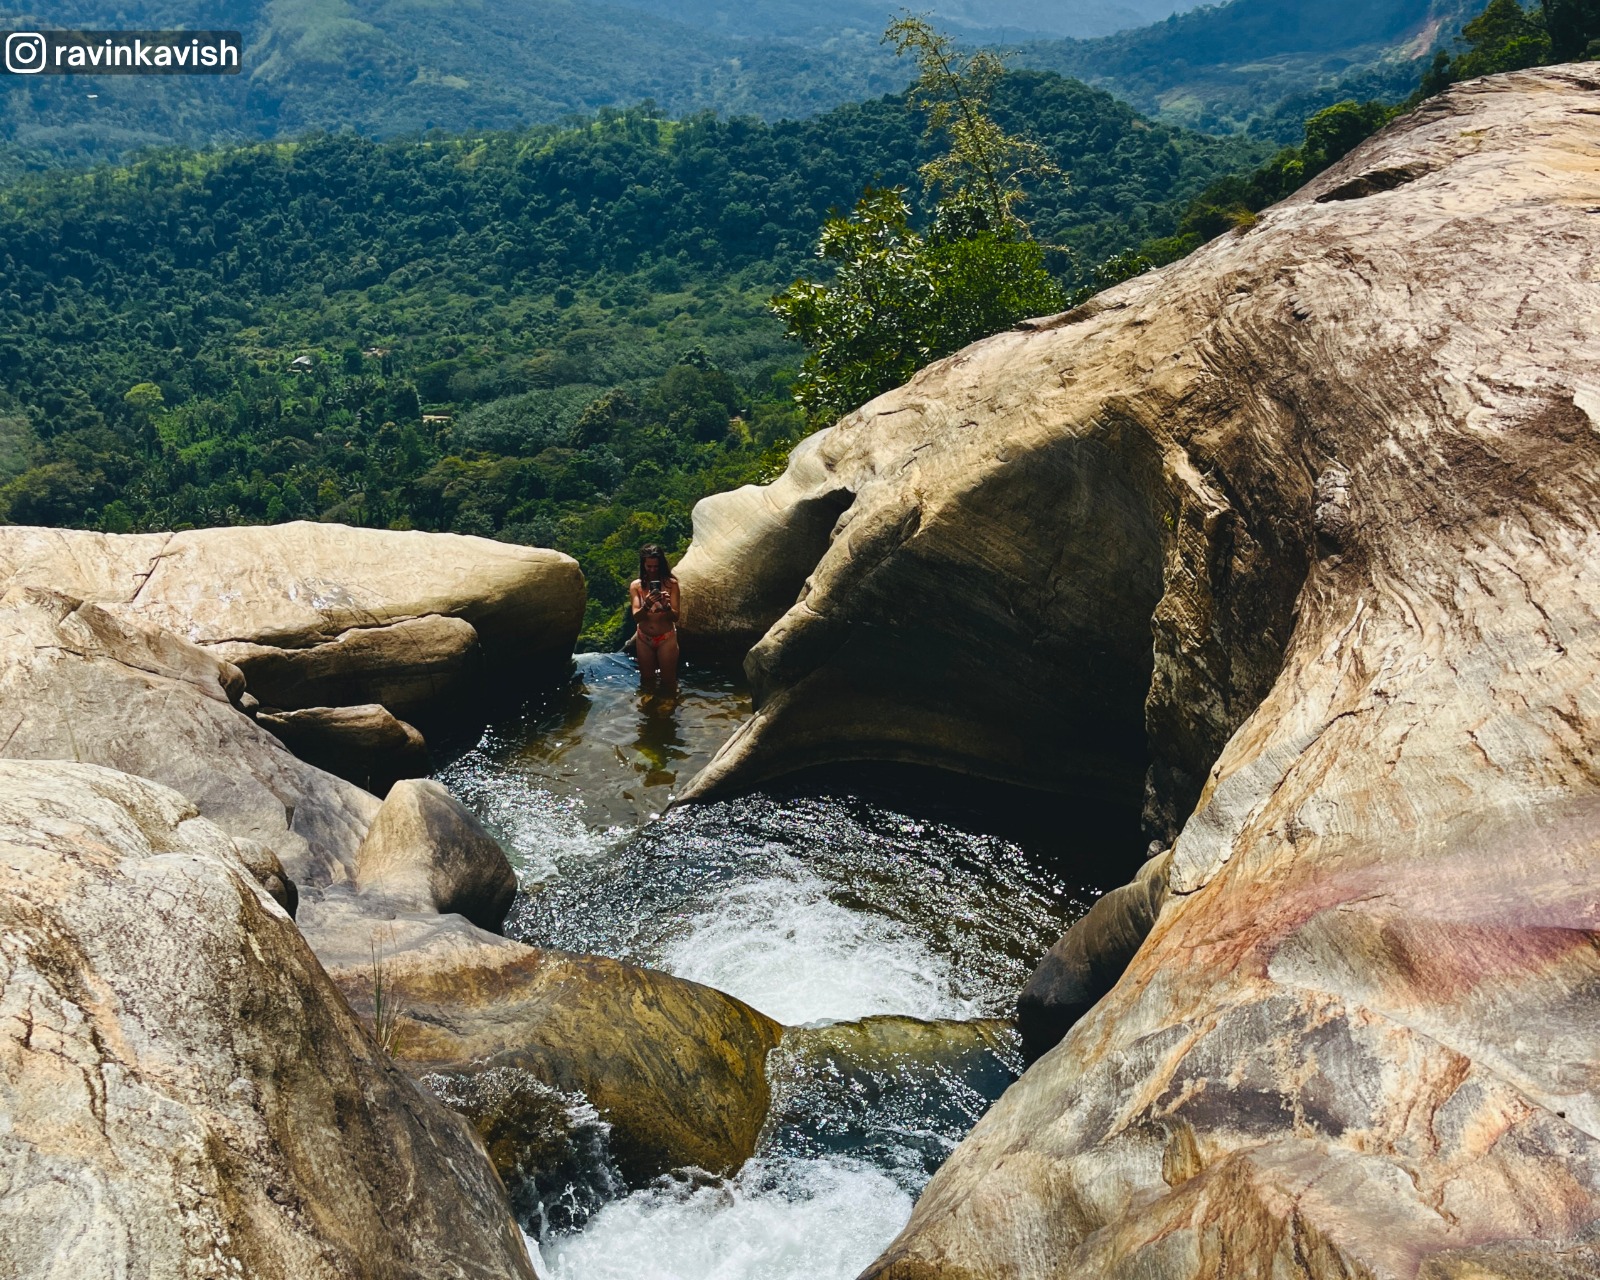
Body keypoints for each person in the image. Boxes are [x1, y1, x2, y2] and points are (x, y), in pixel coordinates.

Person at [629, 543, 680, 695]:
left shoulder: (671, 585)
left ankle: (668, 710)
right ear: (643, 565)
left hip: (666, 638)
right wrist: (648, 603)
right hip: (644, 638)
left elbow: (676, 617)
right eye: (649, 566)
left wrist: (666, 607)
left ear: (661, 565)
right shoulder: (636, 586)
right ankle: (649, 713)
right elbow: (637, 617)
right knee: (647, 681)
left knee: (668, 681)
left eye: (656, 566)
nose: (652, 570)